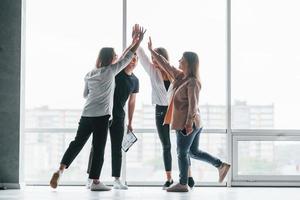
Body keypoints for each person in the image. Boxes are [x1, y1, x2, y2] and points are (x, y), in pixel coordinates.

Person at [49, 25, 146, 191]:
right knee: (99, 148)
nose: (118, 58)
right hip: (101, 116)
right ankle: (95, 181)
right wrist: (136, 41)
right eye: (115, 56)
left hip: (86, 114)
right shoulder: (110, 71)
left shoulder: (90, 73)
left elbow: (85, 94)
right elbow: (127, 56)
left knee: (77, 143)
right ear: (111, 59)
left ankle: (60, 169)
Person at [148, 37, 230, 192]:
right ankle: (220, 165)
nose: (179, 60)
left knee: (181, 152)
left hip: (188, 123)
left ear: (189, 63)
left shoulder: (193, 82)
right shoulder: (180, 76)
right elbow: (166, 64)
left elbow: (193, 105)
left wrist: (187, 124)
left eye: (182, 59)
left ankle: (183, 183)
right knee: (193, 152)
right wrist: (151, 51)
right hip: (193, 123)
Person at [86, 53, 139, 190]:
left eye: (135, 60)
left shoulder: (135, 80)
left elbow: (132, 102)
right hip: (104, 113)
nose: (133, 62)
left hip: (119, 116)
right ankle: (90, 178)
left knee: (117, 148)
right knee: (97, 146)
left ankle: (116, 179)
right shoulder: (115, 73)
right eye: (131, 59)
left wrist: (130, 122)